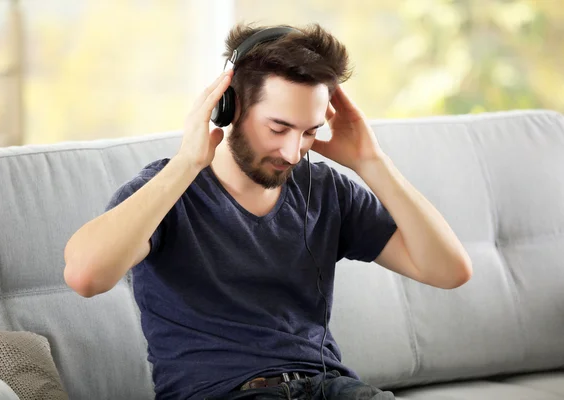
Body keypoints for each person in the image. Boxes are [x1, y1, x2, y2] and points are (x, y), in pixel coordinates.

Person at [63, 22, 472, 400]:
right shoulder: (166, 193)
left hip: (331, 388)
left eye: (309, 132)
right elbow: (85, 276)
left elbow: (449, 270)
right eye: (278, 129)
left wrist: (372, 162)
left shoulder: (326, 190)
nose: (293, 153)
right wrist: (187, 162)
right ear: (230, 107)